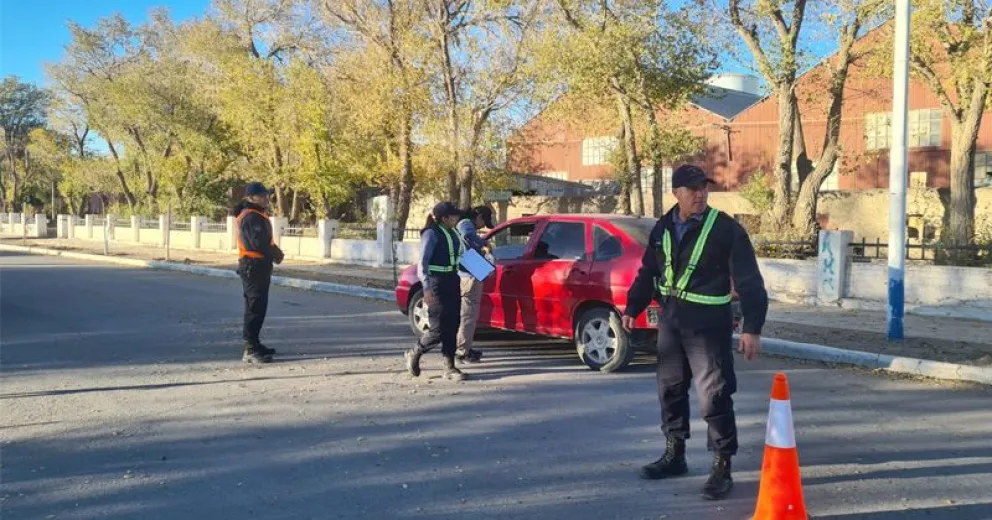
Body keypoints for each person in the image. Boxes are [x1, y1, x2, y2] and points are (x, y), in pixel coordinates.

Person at [621, 164, 768, 501]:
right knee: (670, 389)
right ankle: (675, 455)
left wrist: (752, 327)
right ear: (676, 193)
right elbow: (649, 271)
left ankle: (721, 465)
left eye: (704, 188)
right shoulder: (662, 227)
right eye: (692, 189)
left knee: (713, 393)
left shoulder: (726, 230)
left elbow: (749, 281)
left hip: (710, 323)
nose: (700, 194)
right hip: (672, 319)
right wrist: (632, 307)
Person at [404, 201, 468, 381]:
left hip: (452, 281)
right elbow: (423, 263)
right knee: (438, 328)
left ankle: (449, 366)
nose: (457, 218)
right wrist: (426, 288)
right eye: (454, 215)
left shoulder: (454, 233)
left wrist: (483, 271)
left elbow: (461, 257)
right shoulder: (431, 234)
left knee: (453, 324)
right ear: (445, 218)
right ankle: (415, 352)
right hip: (435, 283)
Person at [232, 182, 285, 365]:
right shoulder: (250, 217)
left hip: (259, 265)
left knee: (259, 306)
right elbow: (257, 243)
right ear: (250, 198)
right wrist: (275, 253)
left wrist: (275, 252)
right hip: (253, 265)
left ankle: (255, 342)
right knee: (254, 307)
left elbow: (264, 241)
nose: (265, 199)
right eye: (261, 196)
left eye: (266, 195)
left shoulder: (257, 215)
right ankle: (251, 349)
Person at [455, 205, 496, 364]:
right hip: (468, 271)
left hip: (471, 268)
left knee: (470, 315)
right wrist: (484, 243)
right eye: (483, 222)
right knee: (468, 315)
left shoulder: (464, 225)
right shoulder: (465, 223)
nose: (483, 227)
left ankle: (465, 347)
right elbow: (467, 235)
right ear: (478, 216)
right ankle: (461, 351)